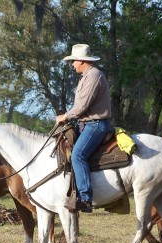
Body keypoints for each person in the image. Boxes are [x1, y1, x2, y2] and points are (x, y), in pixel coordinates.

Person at [56, 44, 114, 213]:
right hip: (86, 124)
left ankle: (85, 197)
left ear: (81, 60)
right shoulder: (85, 76)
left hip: (96, 125)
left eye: (73, 61)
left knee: (78, 155)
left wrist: (65, 117)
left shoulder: (94, 75)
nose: (72, 64)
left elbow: (82, 106)